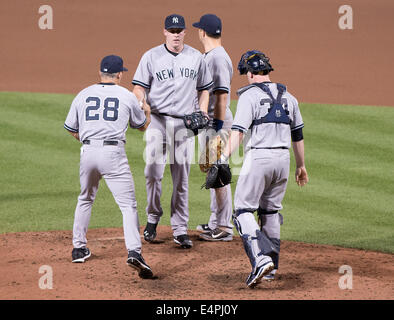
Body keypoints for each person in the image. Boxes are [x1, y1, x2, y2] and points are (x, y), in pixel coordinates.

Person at [218, 50, 308, 287]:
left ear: (249, 73)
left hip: (259, 159)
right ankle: (271, 268)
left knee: (242, 211)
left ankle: (259, 260)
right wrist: (301, 166)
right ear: (267, 71)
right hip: (283, 161)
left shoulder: (249, 97)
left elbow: (238, 131)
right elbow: (297, 137)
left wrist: (222, 158)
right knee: (270, 212)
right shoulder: (291, 97)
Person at [64, 55, 154, 279]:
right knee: (128, 205)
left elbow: (71, 128)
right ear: (120, 75)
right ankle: (134, 251)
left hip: (87, 152)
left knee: (85, 198)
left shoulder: (83, 94)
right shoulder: (126, 95)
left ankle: (78, 248)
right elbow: (141, 126)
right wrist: (148, 111)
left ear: (100, 73)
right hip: (113, 154)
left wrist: (89, 142)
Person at [132, 14, 213, 249]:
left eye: (180, 30)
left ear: (185, 32)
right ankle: (152, 219)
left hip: (185, 125)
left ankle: (179, 229)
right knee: (152, 174)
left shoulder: (196, 58)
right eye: (172, 30)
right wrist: (139, 101)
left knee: (182, 180)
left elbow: (205, 89)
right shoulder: (151, 56)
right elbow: (139, 87)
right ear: (164, 32)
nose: (176, 34)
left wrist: (204, 111)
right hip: (158, 122)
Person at [192, 14, 234, 241]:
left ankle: (225, 228)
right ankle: (215, 222)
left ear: (202, 32)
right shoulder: (211, 55)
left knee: (219, 172)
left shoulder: (217, 58)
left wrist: (216, 127)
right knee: (212, 172)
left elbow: (222, 96)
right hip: (210, 122)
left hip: (217, 122)